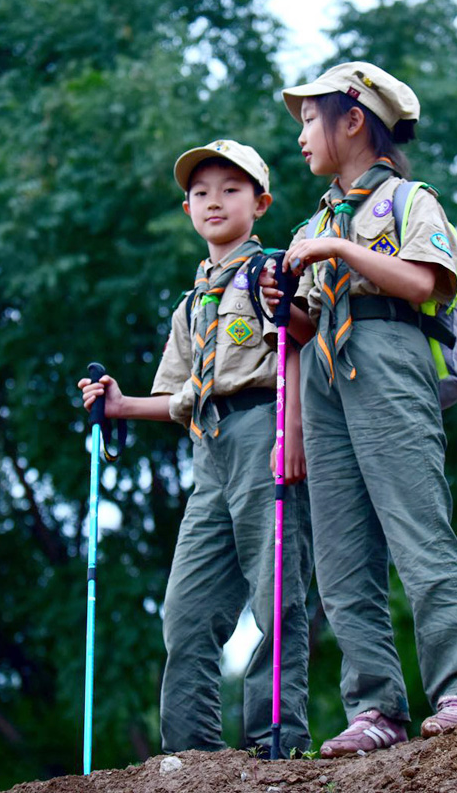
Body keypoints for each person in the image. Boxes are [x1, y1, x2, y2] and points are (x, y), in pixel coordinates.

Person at [267, 61, 457, 758]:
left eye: (311, 118)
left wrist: (340, 246)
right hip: (328, 376)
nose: (302, 134)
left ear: (354, 119)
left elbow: (427, 282)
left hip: (391, 356)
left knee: (417, 531)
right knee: (341, 555)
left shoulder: (404, 200)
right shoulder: (316, 217)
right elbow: (308, 329)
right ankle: (376, 709)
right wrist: (285, 309)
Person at [78, 140, 313, 757]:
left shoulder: (272, 271)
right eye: (201, 192)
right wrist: (120, 405)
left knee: (277, 595)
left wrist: (292, 434)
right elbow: (182, 393)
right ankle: (189, 754)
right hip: (208, 447)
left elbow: (302, 355)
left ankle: (276, 741)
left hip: (265, 430)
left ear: (260, 204)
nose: (214, 201)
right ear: (186, 209)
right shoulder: (191, 304)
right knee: (185, 611)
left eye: (231, 190)